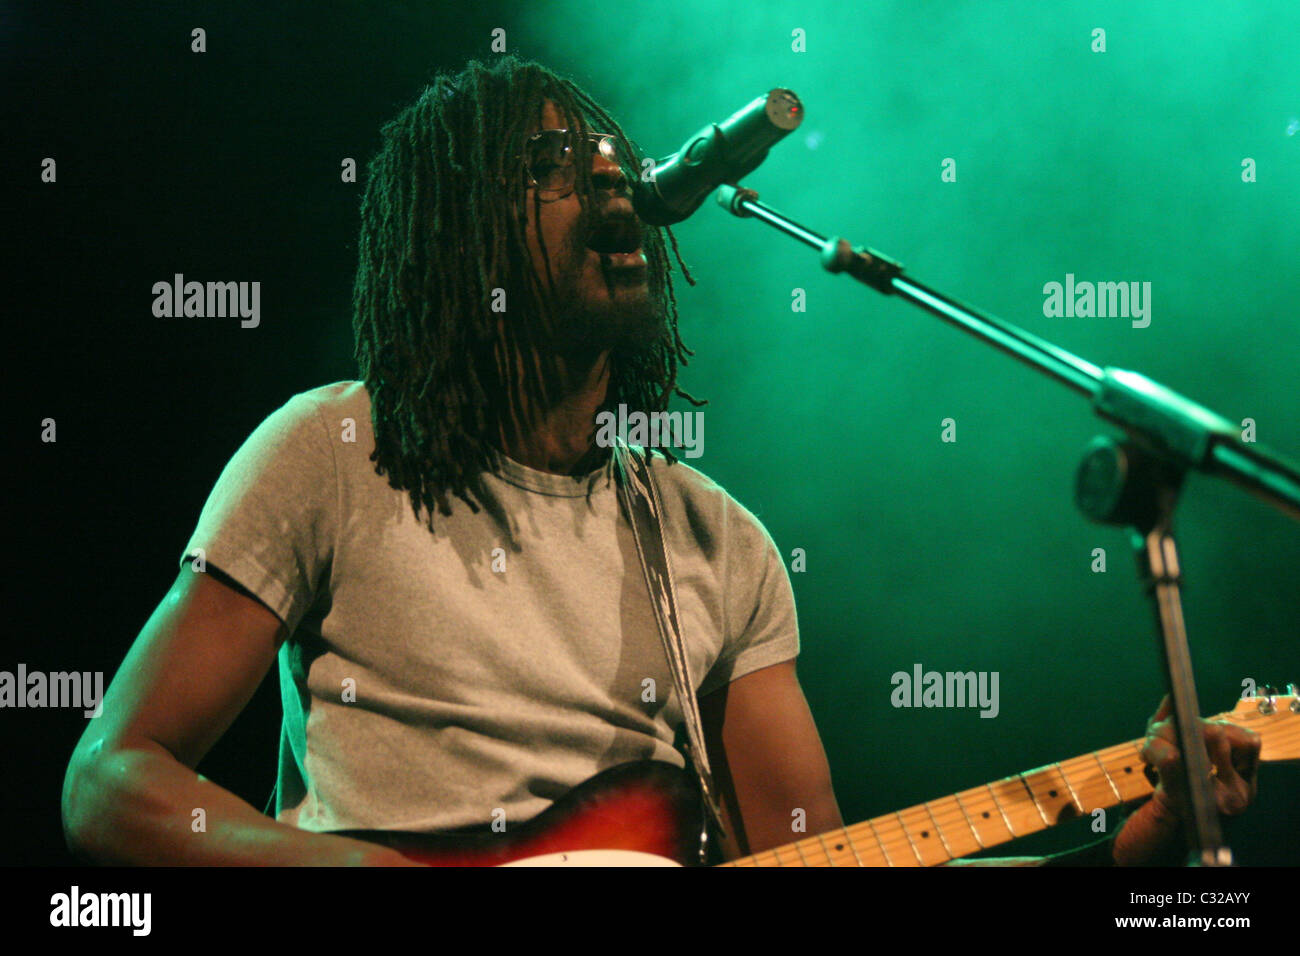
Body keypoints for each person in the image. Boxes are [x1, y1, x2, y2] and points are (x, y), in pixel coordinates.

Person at [61, 56, 1258, 867]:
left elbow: (813, 862)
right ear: (455, 234)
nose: (603, 177)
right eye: (547, 166)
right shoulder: (332, 450)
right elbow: (111, 778)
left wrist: (1131, 845)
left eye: (606, 157)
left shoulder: (716, 541)